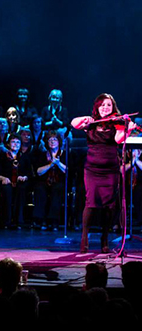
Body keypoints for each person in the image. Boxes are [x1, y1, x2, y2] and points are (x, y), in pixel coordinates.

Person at [72, 93, 137, 253]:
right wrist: (85, 119)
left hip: (110, 171)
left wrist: (128, 130)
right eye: (102, 105)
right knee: (91, 202)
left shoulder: (117, 123)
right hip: (92, 170)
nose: (105, 108)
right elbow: (74, 123)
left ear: (113, 107)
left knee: (109, 205)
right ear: (97, 107)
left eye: (108, 105)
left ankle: (104, 238)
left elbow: (118, 140)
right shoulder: (91, 123)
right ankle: (84, 237)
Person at [0, 133, 32, 229]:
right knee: (7, 190)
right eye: (13, 142)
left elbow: (29, 173)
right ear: (8, 144)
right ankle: (6, 221)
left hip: (20, 183)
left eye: (17, 142)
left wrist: (24, 177)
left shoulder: (24, 157)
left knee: (21, 189)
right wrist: (3, 178)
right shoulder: (1, 156)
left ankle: (19, 221)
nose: (15, 144)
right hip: (6, 182)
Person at [33, 130, 66, 231]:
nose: (52, 142)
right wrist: (50, 164)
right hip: (44, 181)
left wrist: (58, 163)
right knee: (40, 188)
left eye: (55, 140)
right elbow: (38, 171)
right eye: (50, 140)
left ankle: (53, 220)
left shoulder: (65, 154)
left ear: (59, 142)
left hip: (59, 181)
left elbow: (67, 171)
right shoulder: (42, 155)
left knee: (58, 188)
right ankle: (40, 219)